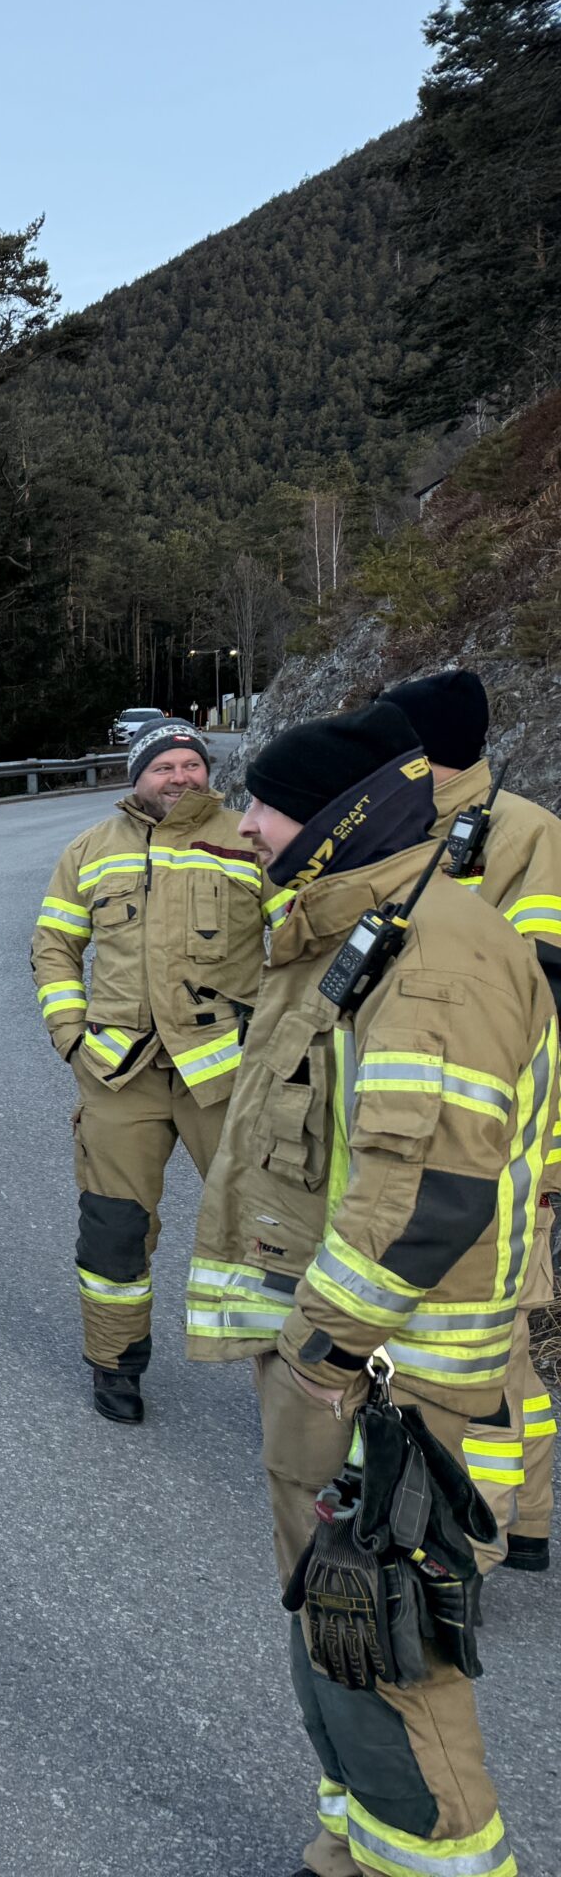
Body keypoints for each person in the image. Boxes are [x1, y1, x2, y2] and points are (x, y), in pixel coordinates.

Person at [208, 701, 553, 1877]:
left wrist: (320, 1351)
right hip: (348, 1362)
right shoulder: (358, 929)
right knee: (336, 1626)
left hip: (379, 1373)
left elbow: (427, 1198)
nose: (243, 826)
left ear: (334, 821)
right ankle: (356, 1846)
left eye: (264, 806)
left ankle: (440, 1861)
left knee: (387, 1640)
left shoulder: (435, 961)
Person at [29, 718, 271, 1424]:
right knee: (114, 1229)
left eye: (190, 764)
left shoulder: (249, 837)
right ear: (137, 776)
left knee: (266, 1226)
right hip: (118, 1072)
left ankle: (297, 1390)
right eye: (163, 766)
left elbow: (301, 944)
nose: (180, 777)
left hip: (226, 1074)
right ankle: (115, 1367)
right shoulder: (90, 850)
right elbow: (54, 945)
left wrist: (280, 1042)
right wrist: (71, 1035)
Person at [380, 668, 561, 1573]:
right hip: (442, 1116)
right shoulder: (412, 824)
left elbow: (539, 986)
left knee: (491, 1338)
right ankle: (523, 1519)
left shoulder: (525, 833)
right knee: (491, 1335)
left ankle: (485, 1532)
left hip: (505, 1128)